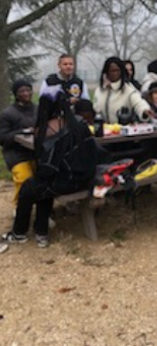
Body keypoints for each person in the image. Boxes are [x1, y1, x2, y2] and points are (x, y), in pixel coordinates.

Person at [2, 93, 98, 249]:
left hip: (69, 181)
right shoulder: (80, 124)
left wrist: (39, 176)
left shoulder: (50, 130)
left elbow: (48, 168)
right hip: (86, 176)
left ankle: (19, 233)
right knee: (41, 187)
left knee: (30, 188)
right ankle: (41, 234)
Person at [0, 80, 38, 210]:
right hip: (16, 154)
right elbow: (3, 138)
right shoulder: (7, 114)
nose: (26, 93)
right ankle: (20, 209)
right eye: (22, 91)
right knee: (24, 179)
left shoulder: (38, 109)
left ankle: (42, 211)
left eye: (28, 90)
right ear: (16, 94)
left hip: (37, 152)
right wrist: (23, 132)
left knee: (45, 178)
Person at [92, 57, 151, 124]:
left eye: (117, 70)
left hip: (122, 131)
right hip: (103, 131)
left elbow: (139, 103)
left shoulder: (128, 89)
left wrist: (145, 110)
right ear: (107, 72)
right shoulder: (99, 90)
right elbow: (95, 108)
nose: (115, 74)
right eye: (112, 71)